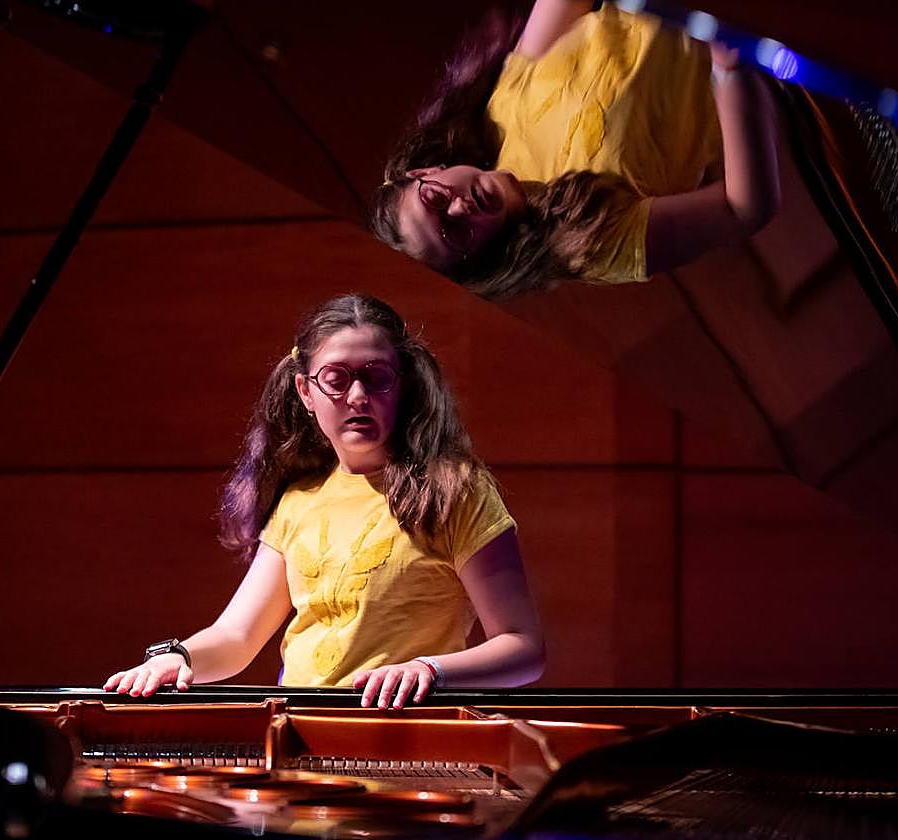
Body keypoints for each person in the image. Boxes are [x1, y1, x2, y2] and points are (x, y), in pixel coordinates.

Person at [103, 294, 544, 708]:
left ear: (402, 387)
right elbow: (237, 637)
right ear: (306, 392)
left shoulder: (454, 490)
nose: (357, 396)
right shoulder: (298, 500)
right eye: (337, 379)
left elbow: (522, 648)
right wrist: (177, 657)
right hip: (303, 741)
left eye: (376, 378)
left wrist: (429, 669)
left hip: (411, 745)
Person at [367, 0, 781, 298]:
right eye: (453, 233)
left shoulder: (497, 115)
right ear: (473, 257)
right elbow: (743, 209)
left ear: (425, 172)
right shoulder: (585, 245)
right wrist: (730, 67)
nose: (459, 210)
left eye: (436, 200)